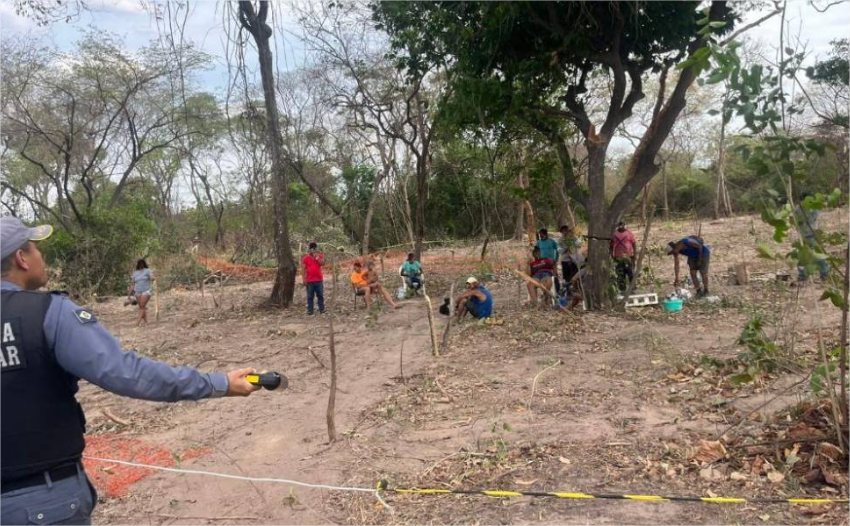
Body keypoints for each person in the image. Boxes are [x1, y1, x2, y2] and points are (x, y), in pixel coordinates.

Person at [0, 216, 261, 525]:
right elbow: (127, 373)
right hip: (40, 501)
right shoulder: (48, 313)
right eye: (36, 249)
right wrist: (219, 383)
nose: (41, 256)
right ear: (22, 258)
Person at [795, 194, 829, 283]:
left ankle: (823, 275)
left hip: (811, 236)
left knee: (818, 257)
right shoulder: (800, 209)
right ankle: (804, 276)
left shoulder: (805, 209)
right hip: (805, 237)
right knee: (804, 257)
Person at [610, 221, 637, 292]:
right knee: (620, 274)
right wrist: (611, 256)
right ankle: (622, 289)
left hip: (628, 256)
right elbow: (611, 246)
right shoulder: (614, 234)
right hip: (618, 257)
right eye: (620, 225)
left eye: (623, 225)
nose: (622, 226)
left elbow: (634, 244)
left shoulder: (629, 233)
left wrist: (634, 255)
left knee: (630, 272)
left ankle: (632, 289)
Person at [301, 241, 325, 315]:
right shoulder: (306, 258)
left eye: (314, 248)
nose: (313, 250)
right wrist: (304, 279)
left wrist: (317, 257)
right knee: (310, 296)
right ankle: (310, 310)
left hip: (319, 280)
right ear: (309, 249)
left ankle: (322, 310)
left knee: (320, 295)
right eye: (311, 248)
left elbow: (322, 263)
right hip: (310, 280)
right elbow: (303, 269)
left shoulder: (319, 256)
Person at [129, 259, 154, 326]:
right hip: (137, 292)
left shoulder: (148, 270)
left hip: (146, 291)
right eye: (139, 263)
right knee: (142, 307)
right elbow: (132, 284)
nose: (141, 264)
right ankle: (146, 322)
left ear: (144, 263)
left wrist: (152, 277)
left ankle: (137, 323)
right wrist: (129, 294)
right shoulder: (135, 273)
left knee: (142, 306)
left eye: (142, 263)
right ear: (138, 264)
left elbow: (152, 277)